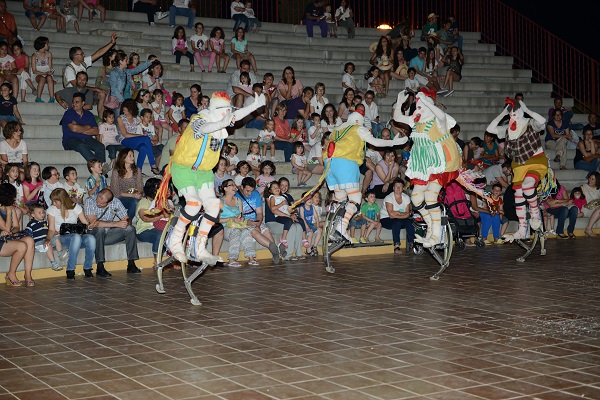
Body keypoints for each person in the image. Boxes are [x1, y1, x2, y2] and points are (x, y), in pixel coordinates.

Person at [156, 91, 265, 265]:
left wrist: (253, 106)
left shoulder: (221, 121)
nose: (227, 114)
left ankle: (200, 247)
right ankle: (175, 239)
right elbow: (205, 129)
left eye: (228, 111)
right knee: (193, 203)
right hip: (184, 168)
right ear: (215, 109)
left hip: (204, 172)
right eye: (224, 111)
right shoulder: (199, 119)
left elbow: (234, 116)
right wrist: (223, 122)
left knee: (214, 205)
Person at [392, 90, 460, 248]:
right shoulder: (416, 121)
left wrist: (428, 102)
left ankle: (436, 235)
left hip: (440, 162)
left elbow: (443, 116)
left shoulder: (437, 120)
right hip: (423, 165)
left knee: (430, 196)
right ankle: (430, 225)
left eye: (422, 106)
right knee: (416, 198)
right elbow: (397, 118)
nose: (418, 108)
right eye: (418, 106)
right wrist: (399, 101)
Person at [326, 110, 405, 242]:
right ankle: (342, 227)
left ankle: (331, 226)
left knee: (339, 198)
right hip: (345, 163)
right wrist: (394, 142)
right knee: (356, 198)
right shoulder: (358, 128)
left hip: (329, 164)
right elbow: (376, 142)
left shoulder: (338, 129)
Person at [487, 98, 548, 241]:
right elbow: (490, 129)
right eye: (511, 114)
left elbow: (542, 121)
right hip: (519, 166)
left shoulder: (530, 123)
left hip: (535, 162)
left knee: (527, 186)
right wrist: (503, 113)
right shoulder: (508, 128)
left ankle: (534, 214)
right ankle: (522, 229)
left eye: (515, 113)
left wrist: (527, 111)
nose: (512, 116)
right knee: (518, 195)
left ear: (521, 113)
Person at [85, 188, 140, 277]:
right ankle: (100, 266)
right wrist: (116, 224)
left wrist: (125, 223)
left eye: (101, 203)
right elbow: (94, 223)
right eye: (98, 200)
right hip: (93, 235)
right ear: (98, 194)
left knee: (130, 229)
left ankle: (131, 263)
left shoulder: (116, 202)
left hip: (109, 234)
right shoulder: (90, 201)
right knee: (100, 229)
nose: (98, 203)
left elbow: (126, 218)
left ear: (109, 203)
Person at [47, 188, 96, 280]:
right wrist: (48, 238)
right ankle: (70, 269)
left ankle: (88, 268)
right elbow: (51, 229)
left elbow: (85, 224)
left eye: (55, 201)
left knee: (91, 238)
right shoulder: (52, 210)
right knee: (76, 237)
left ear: (62, 200)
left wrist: (90, 225)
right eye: (53, 201)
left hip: (75, 237)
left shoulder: (76, 207)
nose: (54, 203)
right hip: (60, 238)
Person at [61, 93, 107, 164]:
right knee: (81, 145)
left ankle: (100, 166)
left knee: (100, 146)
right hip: (71, 140)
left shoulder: (89, 114)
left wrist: (79, 128)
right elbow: (74, 129)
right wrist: (88, 127)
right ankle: (97, 165)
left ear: (83, 103)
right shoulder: (68, 114)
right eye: (73, 102)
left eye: (77, 102)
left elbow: (96, 131)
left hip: (87, 139)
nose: (74, 104)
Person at [380, 179, 414, 254]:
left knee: (410, 222)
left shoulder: (406, 198)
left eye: (400, 186)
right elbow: (391, 215)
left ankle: (412, 243)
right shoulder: (389, 198)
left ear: (403, 188)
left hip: (399, 219)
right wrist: (402, 214)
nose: (398, 188)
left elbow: (408, 214)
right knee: (397, 222)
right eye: (396, 186)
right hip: (386, 219)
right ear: (393, 188)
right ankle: (396, 245)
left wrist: (397, 213)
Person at [111, 148, 144, 221]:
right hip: (121, 198)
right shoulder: (116, 171)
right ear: (123, 158)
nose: (133, 158)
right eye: (130, 156)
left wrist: (139, 193)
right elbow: (115, 192)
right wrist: (132, 195)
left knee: (135, 201)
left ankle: (127, 221)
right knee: (131, 201)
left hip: (134, 198)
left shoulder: (137, 170)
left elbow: (140, 186)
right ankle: (127, 222)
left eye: (133, 155)